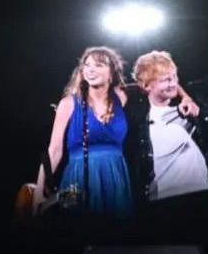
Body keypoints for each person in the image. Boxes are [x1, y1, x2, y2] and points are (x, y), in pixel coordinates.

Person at [33, 46, 135, 219]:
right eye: (87, 65)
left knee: (115, 238)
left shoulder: (122, 97)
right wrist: (38, 192)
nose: (91, 70)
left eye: (99, 65)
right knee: (75, 229)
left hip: (115, 177)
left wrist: (185, 97)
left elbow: (157, 81)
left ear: (112, 72)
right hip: (77, 177)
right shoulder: (69, 103)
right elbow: (54, 151)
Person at [124, 50, 208, 203]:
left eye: (174, 77)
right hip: (162, 199)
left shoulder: (195, 98)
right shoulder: (136, 115)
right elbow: (115, 88)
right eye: (164, 80)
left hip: (204, 192)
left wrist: (186, 96)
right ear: (146, 85)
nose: (172, 83)